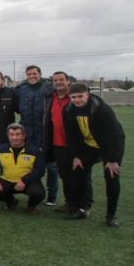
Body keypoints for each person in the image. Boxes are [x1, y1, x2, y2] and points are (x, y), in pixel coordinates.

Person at [63, 84, 125, 227]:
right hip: (88, 146)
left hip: (108, 146)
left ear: (87, 95)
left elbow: (114, 135)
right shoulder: (67, 110)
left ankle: (111, 216)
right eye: (73, 97)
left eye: (80, 96)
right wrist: (76, 155)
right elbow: (71, 135)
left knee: (111, 176)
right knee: (78, 172)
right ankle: (82, 209)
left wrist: (112, 159)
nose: (77, 100)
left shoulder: (102, 110)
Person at [15, 65, 58, 205]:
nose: (32, 76)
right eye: (29, 74)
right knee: (30, 165)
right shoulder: (21, 88)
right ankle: (32, 191)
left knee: (51, 167)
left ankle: (52, 197)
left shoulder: (50, 88)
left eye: (34, 74)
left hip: (46, 133)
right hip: (27, 134)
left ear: (40, 74)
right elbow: (7, 94)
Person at [0, 123, 46, 213]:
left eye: (18, 134)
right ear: (8, 136)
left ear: (23, 136)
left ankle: (31, 206)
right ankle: (11, 202)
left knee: (38, 193)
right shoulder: (1, 149)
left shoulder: (34, 150)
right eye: (11, 135)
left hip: (27, 182)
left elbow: (40, 170)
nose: (14, 138)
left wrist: (24, 181)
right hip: (7, 180)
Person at [44, 71, 77, 210]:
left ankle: (83, 206)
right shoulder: (52, 97)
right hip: (58, 144)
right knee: (65, 176)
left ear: (68, 81)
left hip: (75, 145)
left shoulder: (75, 97)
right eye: (55, 80)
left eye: (61, 79)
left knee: (80, 176)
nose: (58, 82)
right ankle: (69, 203)